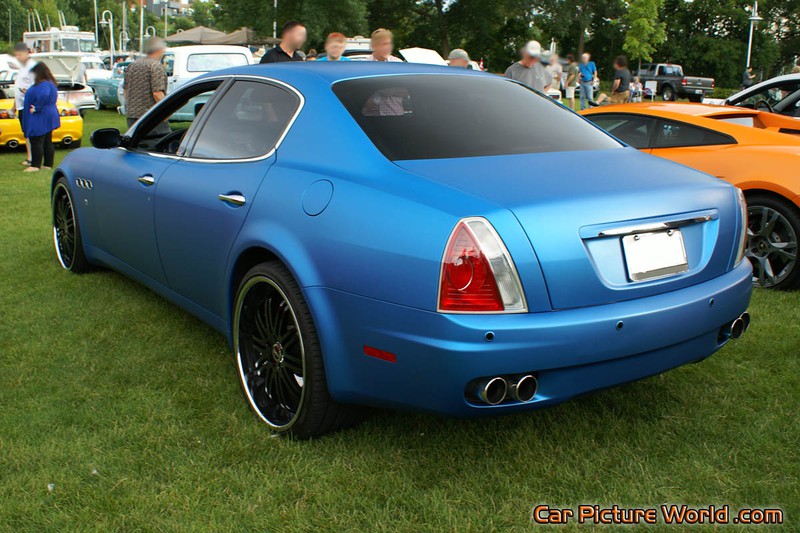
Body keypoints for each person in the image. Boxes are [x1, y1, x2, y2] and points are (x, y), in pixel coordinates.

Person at [123, 37, 169, 133]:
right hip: (150, 117)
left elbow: (125, 90)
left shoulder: (132, 65)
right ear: (159, 50)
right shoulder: (155, 66)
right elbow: (157, 93)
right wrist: (166, 113)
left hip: (132, 116)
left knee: (136, 144)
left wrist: (129, 107)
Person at [22, 62, 60, 173]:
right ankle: (48, 164)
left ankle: (35, 165)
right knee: (47, 140)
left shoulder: (43, 85)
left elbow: (44, 95)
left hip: (41, 115)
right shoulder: (50, 83)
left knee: (36, 139)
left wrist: (37, 107)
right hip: (49, 113)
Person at [13, 42, 36, 166]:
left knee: (30, 132)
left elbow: (37, 87)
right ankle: (30, 157)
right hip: (21, 105)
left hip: (29, 106)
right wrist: (14, 107)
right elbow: (18, 88)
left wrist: (27, 92)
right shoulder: (22, 69)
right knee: (26, 132)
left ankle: (33, 158)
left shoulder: (32, 68)